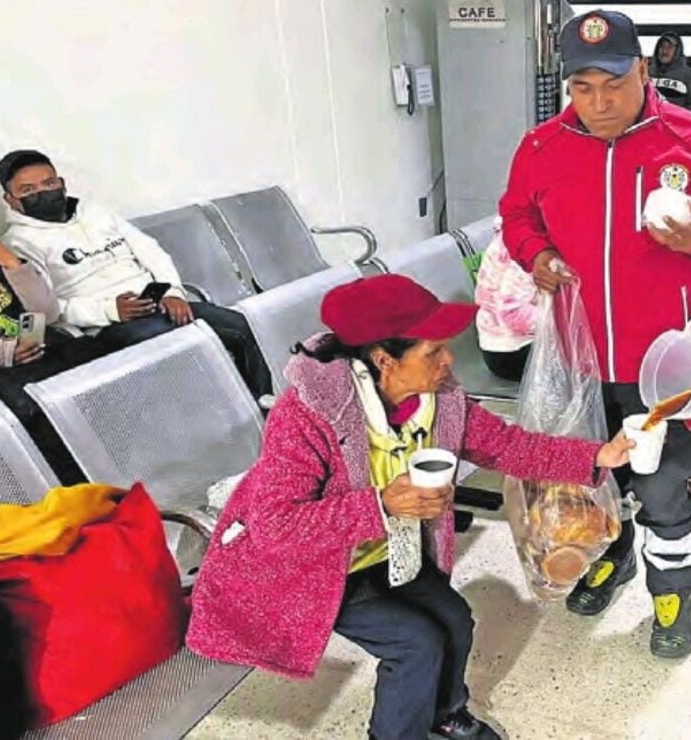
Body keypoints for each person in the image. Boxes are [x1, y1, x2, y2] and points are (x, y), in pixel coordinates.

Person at [187, 273, 633, 740]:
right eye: (433, 351)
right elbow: (276, 526)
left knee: (454, 621)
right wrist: (382, 505)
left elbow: (506, 446)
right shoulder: (305, 417)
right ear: (384, 360)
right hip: (319, 566)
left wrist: (599, 456)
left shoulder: (441, 399)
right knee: (415, 643)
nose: (448, 360)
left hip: (389, 550)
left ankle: (445, 713)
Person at [499, 9, 691, 658]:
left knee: (663, 486)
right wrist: (537, 254)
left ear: (643, 70)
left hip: (667, 360)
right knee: (596, 476)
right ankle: (610, 559)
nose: (598, 103)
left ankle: (672, 596)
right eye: (582, 87)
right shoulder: (541, 146)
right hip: (581, 359)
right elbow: (516, 217)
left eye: (613, 84)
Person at [0, 150, 271, 397]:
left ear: (62, 183)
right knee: (175, 345)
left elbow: (152, 252)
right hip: (108, 326)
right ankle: (224, 416)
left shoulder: (95, 212)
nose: (42, 193)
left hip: (161, 303)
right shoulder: (16, 244)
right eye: (28, 190)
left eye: (49, 183)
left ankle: (267, 409)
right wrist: (110, 310)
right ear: (10, 200)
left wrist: (173, 292)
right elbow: (48, 310)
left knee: (242, 327)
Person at [0, 208, 104, 484]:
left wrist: (14, 266)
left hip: (40, 348)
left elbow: (47, 312)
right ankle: (75, 484)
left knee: (93, 356)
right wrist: (5, 351)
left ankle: (108, 464)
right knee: (20, 396)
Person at [475, 217, 537, 382]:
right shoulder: (520, 248)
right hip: (512, 352)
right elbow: (511, 315)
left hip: (522, 341)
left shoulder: (518, 235)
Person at [649, 32, 691, 116]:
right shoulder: (646, 72)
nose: (665, 51)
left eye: (670, 47)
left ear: (677, 51)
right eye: (662, 47)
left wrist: (679, 115)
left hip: (675, 120)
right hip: (650, 119)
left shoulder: (689, 75)